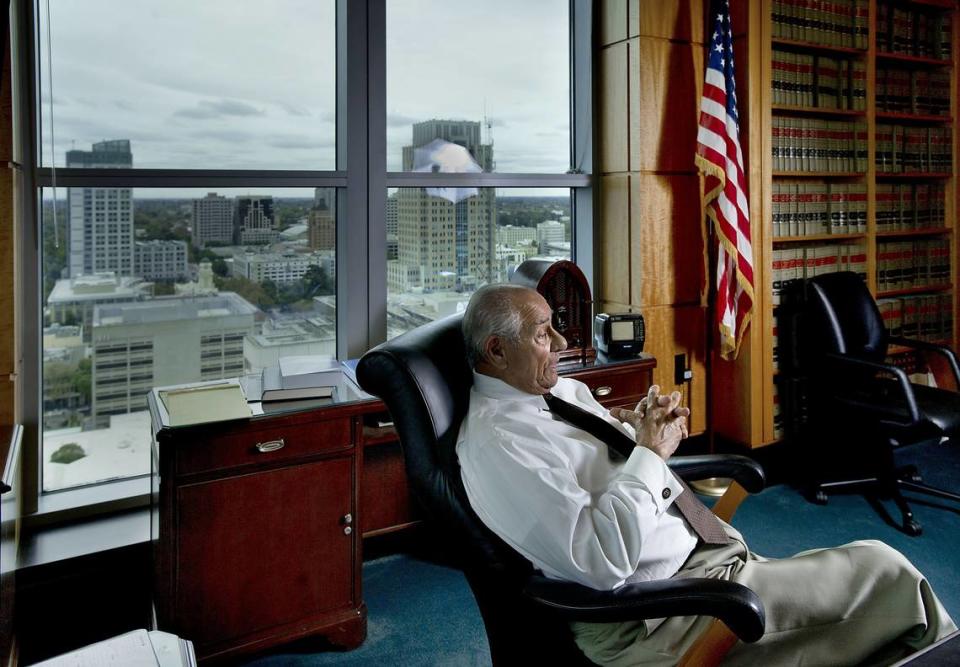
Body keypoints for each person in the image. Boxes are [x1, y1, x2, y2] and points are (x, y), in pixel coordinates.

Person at [456, 283, 956, 666]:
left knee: (866, 595)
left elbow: (613, 455)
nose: (563, 342)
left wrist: (644, 427)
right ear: (497, 351)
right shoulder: (500, 447)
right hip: (662, 615)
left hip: (703, 557)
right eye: (544, 333)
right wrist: (651, 453)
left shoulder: (554, 392)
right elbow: (602, 562)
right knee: (889, 572)